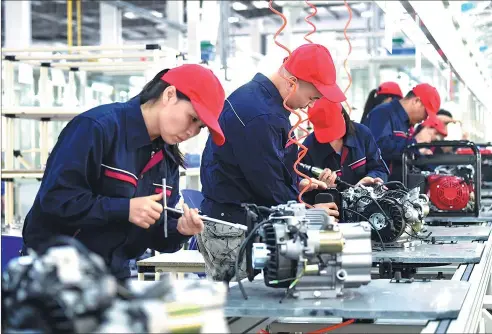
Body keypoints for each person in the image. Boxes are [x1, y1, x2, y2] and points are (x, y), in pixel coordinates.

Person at [22, 64, 226, 279]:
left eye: (200, 127)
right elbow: (56, 200)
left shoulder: (167, 160)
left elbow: (157, 236)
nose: (192, 132)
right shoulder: (96, 128)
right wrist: (124, 209)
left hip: (113, 276)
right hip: (56, 274)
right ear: (169, 95)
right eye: (193, 118)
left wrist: (180, 230)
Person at [198, 43, 346, 283]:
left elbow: (267, 168)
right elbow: (268, 185)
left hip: (242, 220)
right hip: (235, 230)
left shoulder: (263, 102)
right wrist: (310, 214)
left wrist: (298, 184)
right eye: (311, 97)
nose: (310, 106)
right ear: (292, 82)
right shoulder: (261, 115)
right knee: (245, 310)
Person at [301, 98, 389, 205]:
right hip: (333, 213)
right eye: (325, 130)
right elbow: (301, 191)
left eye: (333, 127)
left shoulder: (362, 134)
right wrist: (322, 188)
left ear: (343, 115)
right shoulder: (307, 148)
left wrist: (370, 178)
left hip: (367, 206)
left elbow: (380, 169)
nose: (332, 137)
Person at [362, 83, 441, 182]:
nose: (425, 118)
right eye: (426, 113)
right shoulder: (383, 113)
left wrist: (418, 152)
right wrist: (415, 142)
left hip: (395, 189)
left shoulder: (405, 123)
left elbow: (399, 150)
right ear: (416, 101)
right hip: (379, 187)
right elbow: (378, 148)